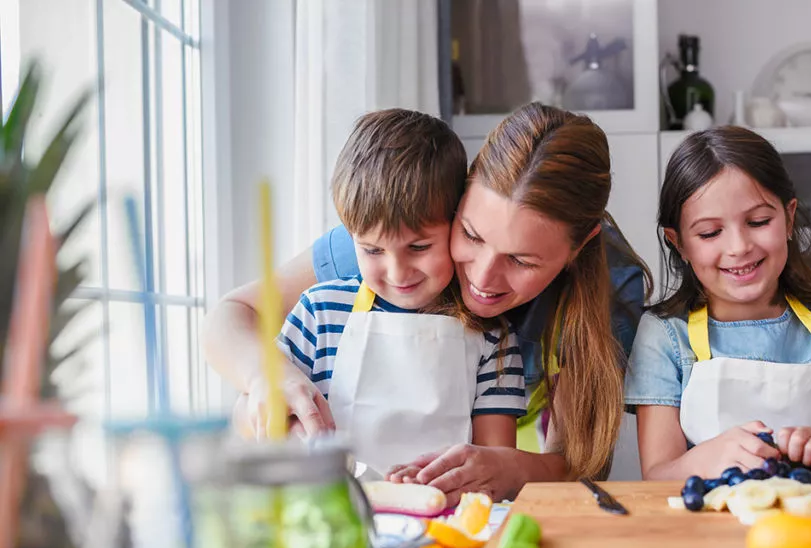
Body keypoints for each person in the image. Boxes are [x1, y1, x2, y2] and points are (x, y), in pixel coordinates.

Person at [203, 102, 651, 506]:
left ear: (580, 246)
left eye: (521, 260)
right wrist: (267, 379)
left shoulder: (609, 289)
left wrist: (507, 467)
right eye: (471, 235)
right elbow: (234, 315)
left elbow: (576, 461)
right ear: (460, 198)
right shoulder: (395, 236)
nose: (482, 276)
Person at [624, 126, 811, 481]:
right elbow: (658, 475)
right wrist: (707, 458)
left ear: (789, 218)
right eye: (710, 233)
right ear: (679, 244)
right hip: (702, 532)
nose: (739, 246)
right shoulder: (664, 334)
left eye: (758, 222)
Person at [269, 109, 525, 476]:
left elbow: (493, 467)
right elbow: (257, 418)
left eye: (418, 248)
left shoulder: (493, 338)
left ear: (458, 225)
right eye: (372, 250)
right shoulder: (318, 313)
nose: (396, 272)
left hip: (444, 519)